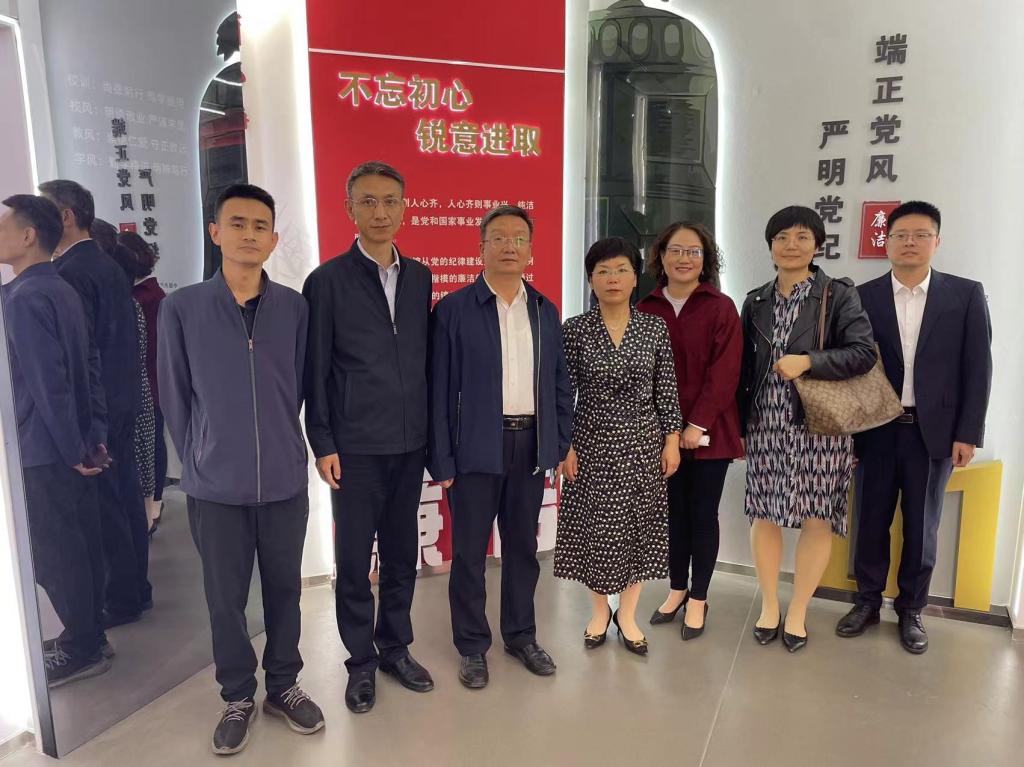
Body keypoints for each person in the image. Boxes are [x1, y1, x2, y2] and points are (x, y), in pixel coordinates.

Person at [159, 184, 324, 755]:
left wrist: (284, 442)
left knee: (285, 591)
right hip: (215, 486)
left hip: (283, 480)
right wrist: (202, 455)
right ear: (215, 232)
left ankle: (283, 685)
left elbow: (299, 387)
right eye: (237, 223)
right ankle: (236, 694)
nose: (249, 234)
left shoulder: (295, 308)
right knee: (225, 599)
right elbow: (175, 395)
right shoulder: (183, 308)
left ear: (273, 239)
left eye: (260, 226)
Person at [302, 161, 434, 714]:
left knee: (402, 555)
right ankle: (360, 661)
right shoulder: (327, 281)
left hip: (410, 443)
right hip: (354, 447)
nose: (381, 212)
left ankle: (395, 647)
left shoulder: (420, 277)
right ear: (349, 209)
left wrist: (433, 438)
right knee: (355, 561)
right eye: (368, 202)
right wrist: (323, 442)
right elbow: (315, 371)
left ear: (404, 208)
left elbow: (424, 362)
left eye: (390, 201)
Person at [836, 201, 992, 654]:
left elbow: (978, 368)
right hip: (875, 429)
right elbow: (849, 368)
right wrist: (848, 433)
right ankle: (867, 602)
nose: (910, 242)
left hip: (934, 432)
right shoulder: (862, 297)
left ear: (936, 242)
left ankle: (911, 610)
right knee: (871, 520)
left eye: (921, 234)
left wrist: (968, 433)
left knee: (923, 528)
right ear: (886, 241)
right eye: (901, 234)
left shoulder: (965, 294)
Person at [429, 204, 573, 688]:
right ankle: (472, 646)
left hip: (530, 446)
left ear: (530, 250)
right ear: (481, 248)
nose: (510, 246)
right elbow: (439, 391)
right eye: (499, 238)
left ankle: (520, 635)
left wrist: (558, 444)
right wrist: (442, 458)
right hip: (474, 445)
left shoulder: (544, 310)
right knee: (470, 552)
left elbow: (558, 383)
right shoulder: (453, 310)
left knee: (523, 549)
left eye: (519, 238)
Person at [738, 206, 875, 652]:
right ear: (770, 246)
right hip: (766, 422)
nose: (791, 245)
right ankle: (769, 605)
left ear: (817, 245)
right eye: (781, 237)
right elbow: (744, 368)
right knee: (764, 513)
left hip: (820, 424)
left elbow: (863, 353)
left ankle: (798, 610)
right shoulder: (756, 301)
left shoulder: (838, 294)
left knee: (817, 516)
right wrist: (739, 423)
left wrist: (809, 361)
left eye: (801, 237)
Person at [0, 195, 111, 686]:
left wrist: (71, 450)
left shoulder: (25, 299)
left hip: (44, 449)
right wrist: (92, 440)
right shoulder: (60, 288)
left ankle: (82, 646)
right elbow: (89, 369)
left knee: (53, 552)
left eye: (4, 227)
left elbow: (49, 384)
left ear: (28, 237)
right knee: (78, 545)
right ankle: (88, 635)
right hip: (72, 445)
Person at [555, 238, 681, 655]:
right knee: (595, 529)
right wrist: (565, 446)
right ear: (591, 279)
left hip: (643, 445)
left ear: (635, 276)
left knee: (637, 529)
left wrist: (672, 439)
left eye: (622, 270)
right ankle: (598, 611)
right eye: (603, 271)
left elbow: (666, 389)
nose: (613, 279)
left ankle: (627, 614)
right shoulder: (575, 329)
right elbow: (563, 393)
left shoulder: (654, 328)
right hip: (591, 444)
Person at [39, 180, 149, 627]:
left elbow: (82, 353)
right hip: (123, 396)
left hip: (99, 405)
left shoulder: (69, 273)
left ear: (65, 216)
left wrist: (87, 418)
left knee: (106, 504)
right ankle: (135, 589)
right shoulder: (104, 264)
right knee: (124, 496)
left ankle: (121, 596)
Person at [637, 222, 743, 639]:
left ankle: (699, 597)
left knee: (702, 514)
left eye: (694, 251)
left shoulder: (721, 306)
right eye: (676, 250)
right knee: (672, 516)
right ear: (660, 257)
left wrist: (696, 424)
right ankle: (677, 588)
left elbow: (726, 372)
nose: (684, 259)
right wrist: (666, 430)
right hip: (659, 434)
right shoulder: (644, 307)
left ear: (706, 259)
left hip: (710, 432)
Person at [115, 231, 167, 533]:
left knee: (154, 445)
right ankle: (153, 503)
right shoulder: (144, 295)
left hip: (151, 380)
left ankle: (155, 502)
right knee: (152, 444)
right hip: (148, 381)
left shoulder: (147, 298)